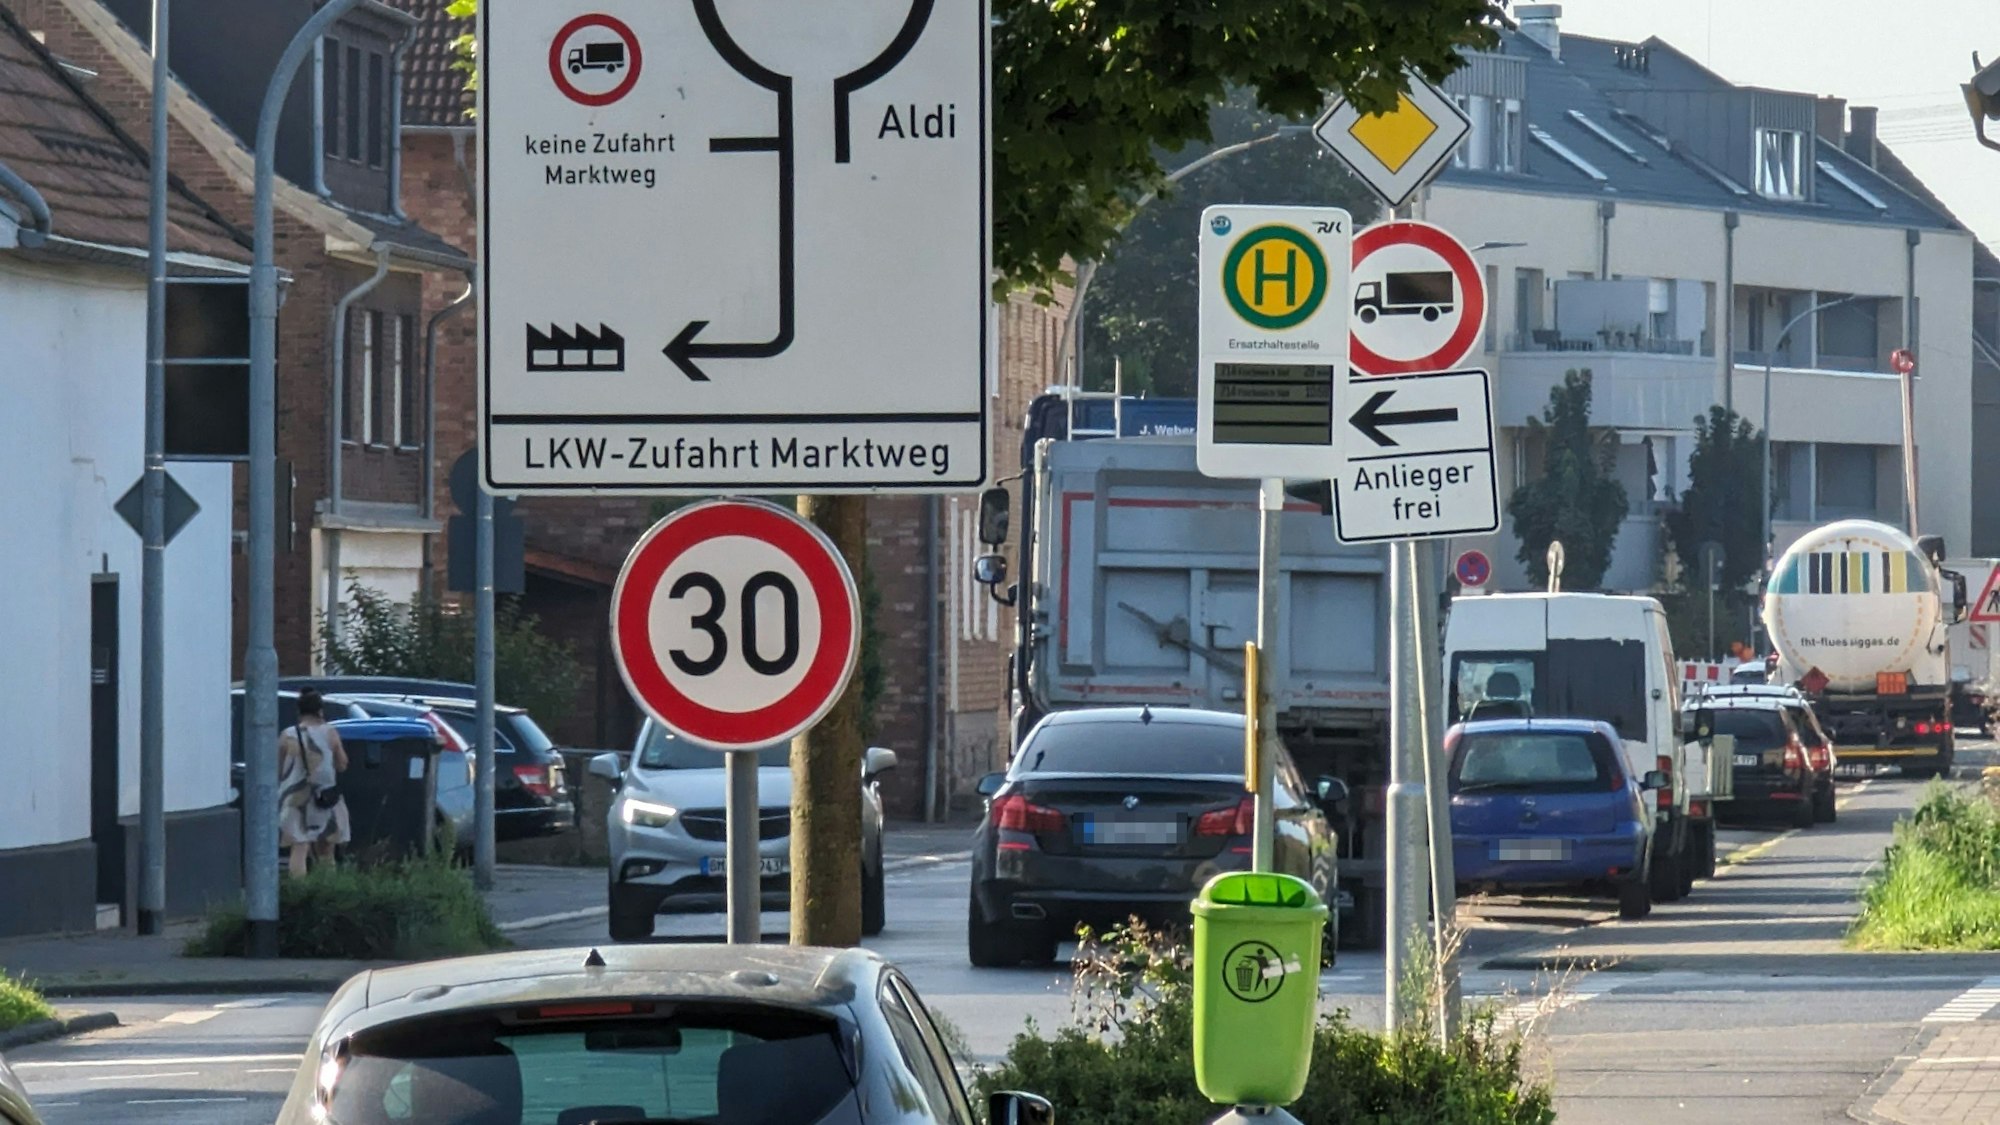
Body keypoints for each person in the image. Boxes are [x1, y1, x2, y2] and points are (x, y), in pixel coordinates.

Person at [277, 689, 350, 875]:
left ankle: (299, 891)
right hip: (324, 797)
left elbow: (277, 769)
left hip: (293, 798)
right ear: (320, 710)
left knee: (299, 846)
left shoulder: (287, 735)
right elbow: (342, 765)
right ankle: (327, 891)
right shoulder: (330, 733)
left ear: (299, 711)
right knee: (326, 849)